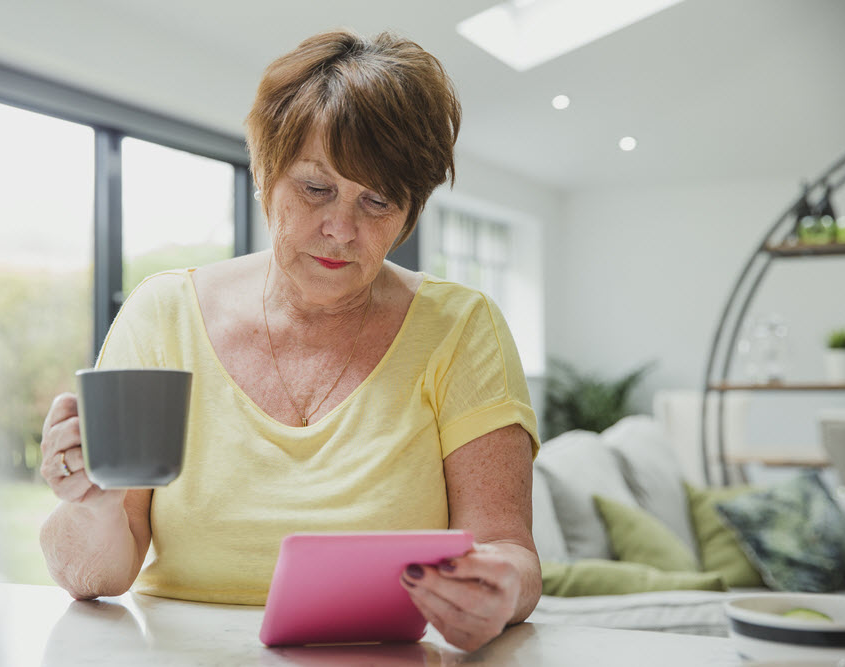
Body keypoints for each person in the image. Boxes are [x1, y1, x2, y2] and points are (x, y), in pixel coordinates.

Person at [39, 29, 542, 652]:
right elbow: (98, 576)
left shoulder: (462, 328)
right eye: (316, 188)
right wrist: (89, 505)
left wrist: (497, 591)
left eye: (377, 201)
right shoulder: (164, 314)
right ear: (266, 174)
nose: (341, 228)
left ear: (409, 215)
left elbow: (508, 550)